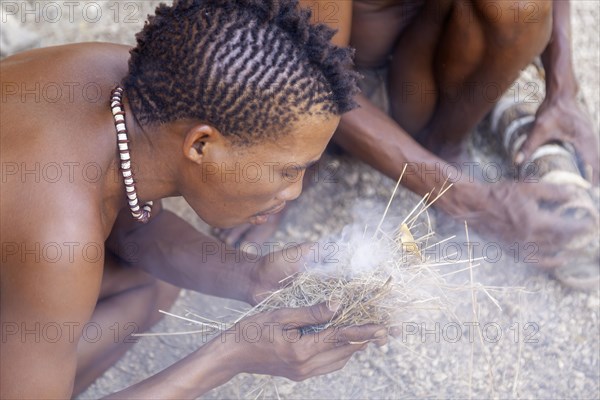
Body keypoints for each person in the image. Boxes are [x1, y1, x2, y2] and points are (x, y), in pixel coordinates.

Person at [0, 1, 388, 398]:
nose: (294, 191)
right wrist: (231, 355)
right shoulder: (60, 241)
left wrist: (251, 276)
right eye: (288, 170)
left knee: (152, 284)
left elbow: (131, 228)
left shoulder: (133, 84)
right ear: (201, 144)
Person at [294, 0, 597, 269]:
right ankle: (442, 164)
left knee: (520, 8)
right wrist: (474, 203)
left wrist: (562, 90)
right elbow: (321, 87)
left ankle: (445, 142)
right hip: (362, 91)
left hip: (434, 53)